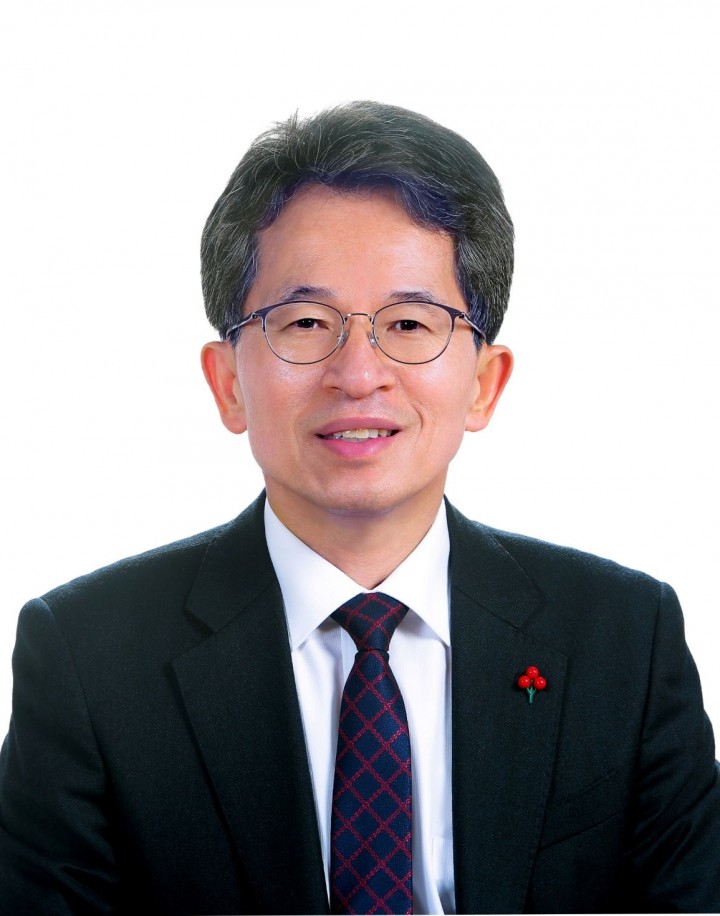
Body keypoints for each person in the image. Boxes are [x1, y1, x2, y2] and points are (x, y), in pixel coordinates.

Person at [0, 101, 718, 915]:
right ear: (227, 383)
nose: (358, 373)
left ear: (483, 385)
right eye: (306, 322)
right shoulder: (89, 659)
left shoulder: (623, 641)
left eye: (409, 323)